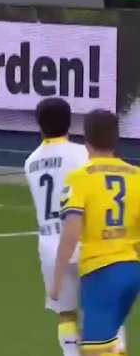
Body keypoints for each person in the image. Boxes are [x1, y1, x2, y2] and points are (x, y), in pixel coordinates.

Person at [24, 98, 121, 355]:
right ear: (70, 123)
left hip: (50, 246)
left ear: (39, 125)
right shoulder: (81, 154)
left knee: (66, 314)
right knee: (105, 307)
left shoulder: (30, 162)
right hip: (84, 240)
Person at [53, 109, 140, 356]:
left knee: (94, 350)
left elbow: (72, 230)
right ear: (117, 138)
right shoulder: (136, 176)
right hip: (132, 271)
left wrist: (57, 278)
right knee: (109, 345)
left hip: (100, 272)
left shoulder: (79, 178)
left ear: (86, 139)